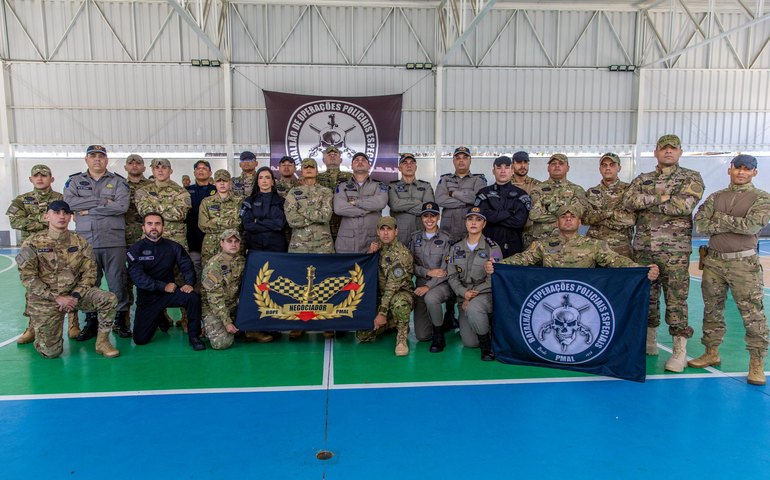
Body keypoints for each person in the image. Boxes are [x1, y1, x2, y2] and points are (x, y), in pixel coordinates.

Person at [623, 134, 705, 372]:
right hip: (644, 249)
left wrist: (648, 201)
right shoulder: (643, 178)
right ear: (656, 152)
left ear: (680, 152)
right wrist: (667, 197)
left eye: (673, 148)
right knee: (646, 299)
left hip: (675, 252)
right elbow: (629, 201)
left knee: (676, 301)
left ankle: (679, 351)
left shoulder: (691, 177)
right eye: (664, 148)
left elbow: (684, 206)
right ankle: (649, 342)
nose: (668, 152)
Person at [690, 154, 770, 385]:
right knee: (712, 310)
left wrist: (720, 219)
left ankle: (756, 362)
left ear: (754, 172)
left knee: (753, 314)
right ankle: (711, 352)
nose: (741, 172)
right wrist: (733, 221)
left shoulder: (762, 198)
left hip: (743, 264)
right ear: (730, 170)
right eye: (738, 168)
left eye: (747, 169)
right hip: (714, 262)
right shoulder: (717, 196)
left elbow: (751, 226)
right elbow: (701, 224)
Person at [16, 200, 119, 358]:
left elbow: (90, 273)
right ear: (46, 217)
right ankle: (41, 334)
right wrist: (57, 298)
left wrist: (75, 295)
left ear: (71, 217)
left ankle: (102, 342)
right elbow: (27, 277)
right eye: (56, 213)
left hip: (74, 295)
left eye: (66, 213)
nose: (62, 216)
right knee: (51, 352)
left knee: (108, 299)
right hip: (46, 299)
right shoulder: (32, 243)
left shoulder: (80, 242)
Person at [64, 145, 131, 341]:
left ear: (106, 160)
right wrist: (102, 202)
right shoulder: (75, 181)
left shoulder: (118, 181)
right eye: (92, 156)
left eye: (101, 156)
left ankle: (120, 320)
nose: (97, 160)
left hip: (113, 240)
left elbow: (121, 207)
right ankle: (91, 321)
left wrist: (87, 208)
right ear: (86, 160)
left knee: (117, 282)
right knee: (87, 283)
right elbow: (70, 204)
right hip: (86, 242)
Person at [486, 202, 659, 277]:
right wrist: (498, 266)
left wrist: (642, 269)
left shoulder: (594, 245)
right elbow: (522, 259)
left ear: (580, 222)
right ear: (557, 221)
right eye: (564, 216)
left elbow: (617, 261)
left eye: (572, 216)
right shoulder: (542, 245)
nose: (568, 219)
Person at [6, 164, 67, 343]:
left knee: (67, 282)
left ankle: (73, 323)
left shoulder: (61, 198)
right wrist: (46, 220)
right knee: (32, 287)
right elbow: (16, 222)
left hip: (57, 247)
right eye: (36, 176)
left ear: (52, 179)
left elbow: (66, 219)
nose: (40, 178)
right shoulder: (21, 200)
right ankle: (32, 327)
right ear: (31, 179)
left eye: (44, 175)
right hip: (31, 249)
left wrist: (34, 220)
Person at [126, 212, 205, 350]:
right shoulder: (135, 250)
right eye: (149, 224)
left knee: (192, 298)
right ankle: (159, 317)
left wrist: (188, 283)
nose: (154, 227)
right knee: (140, 339)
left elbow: (186, 265)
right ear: (143, 228)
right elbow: (139, 279)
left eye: (157, 224)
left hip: (169, 294)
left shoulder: (173, 246)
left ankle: (194, 336)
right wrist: (163, 286)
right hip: (148, 298)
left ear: (163, 227)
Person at [446, 207, 502, 361]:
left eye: (478, 220)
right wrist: (464, 293)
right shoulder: (455, 248)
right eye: (470, 219)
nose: (473, 223)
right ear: (466, 223)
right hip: (463, 295)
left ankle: (486, 347)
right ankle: (483, 326)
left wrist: (470, 296)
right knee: (470, 343)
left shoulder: (493, 248)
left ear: (484, 224)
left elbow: (494, 278)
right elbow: (451, 276)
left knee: (473, 307)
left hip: (484, 295)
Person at [357, 216, 415, 356]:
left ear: (396, 231)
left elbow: (391, 287)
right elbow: (363, 274)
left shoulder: (402, 254)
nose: (385, 233)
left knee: (399, 303)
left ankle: (401, 336)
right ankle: (391, 323)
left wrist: (381, 313)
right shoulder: (377, 248)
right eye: (382, 229)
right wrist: (369, 255)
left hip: (398, 294)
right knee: (362, 335)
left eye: (389, 229)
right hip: (381, 296)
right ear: (377, 232)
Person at [408, 202, 454, 352]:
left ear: (438, 217)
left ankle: (439, 336)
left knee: (431, 297)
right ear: (422, 218)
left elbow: (445, 270)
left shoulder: (447, 239)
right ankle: (434, 324)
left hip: (441, 284)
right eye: (426, 216)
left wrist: (429, 285)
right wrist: (426, 272)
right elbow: (410, 266)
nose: (429, 219)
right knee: (422, 335)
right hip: (421, 284)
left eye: (433, 216)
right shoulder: (414, 239)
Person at [474, 155, 531, 258]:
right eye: (499, 167)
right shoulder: (484, 193)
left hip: (513, 246)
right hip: (488, 244)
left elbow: (519, 221)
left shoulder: (521, 194)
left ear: (512, 170)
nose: (503, 171)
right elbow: (481, 217)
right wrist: (509, 212)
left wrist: (493, 215)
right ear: (493, 171)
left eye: (507, 167)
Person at [333, 152, 388, 253]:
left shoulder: (379, 185)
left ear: (369, 166)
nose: (360, 162)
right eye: (356, 160)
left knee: (371, 268)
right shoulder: (342, 186)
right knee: (346, 268)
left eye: (363, 160)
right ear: (352, 166)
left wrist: (356, 202)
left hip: (372, 240)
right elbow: (339, 208)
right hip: (347, 241)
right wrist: (367, 210)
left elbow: (380, 203)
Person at [583, 153, 636, 257]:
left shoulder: (629, 190)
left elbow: (631, 219)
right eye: (604, 165)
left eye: (612, 165)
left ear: (619, 168)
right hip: (595, 246)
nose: (608, 168)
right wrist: (611, 213)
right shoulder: (591, 192)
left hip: (620, 247)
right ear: (600, 169)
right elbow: (585, 219)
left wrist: (599, 217)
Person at [123, 154, 152, 337]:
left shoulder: (150, 187)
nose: (134, 165)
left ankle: (157, 314)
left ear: (144, 168)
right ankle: (124, 319)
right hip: (123, 239)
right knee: (125, 281)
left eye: (138, 163)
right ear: (126, 167)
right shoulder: (119, 185)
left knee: (151, 275)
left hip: (146, 238)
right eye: (131, 163)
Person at [528, 153, 587, 244]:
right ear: (548, 168)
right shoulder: (537, 189)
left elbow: (578, 213)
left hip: (568, 242)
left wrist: (548, 208)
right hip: (542, 241)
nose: (557, 166)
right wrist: (565, 214)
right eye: (553, 163)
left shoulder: (577, 190)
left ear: (568, 168)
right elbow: (534, 215)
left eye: (561, 163)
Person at [201, 230, 245, 350]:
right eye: (229, 241)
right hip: (214, 308)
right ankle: (207, 326)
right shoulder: (213, 266)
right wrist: (226, 322)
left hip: (234, 305)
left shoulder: (241, 261)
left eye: (236, 241)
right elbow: (214, 298)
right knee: (221, 343)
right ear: (221, 243)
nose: (233, 244)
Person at [434, 146, 487, 243]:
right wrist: (466, 202)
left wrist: (453, 193)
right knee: (447, 257)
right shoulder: (445, 179)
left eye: (465, 158)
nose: (461, 161)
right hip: (447, 231)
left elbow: (477, 199)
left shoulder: (478, 179)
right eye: (458, 158)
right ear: (453, 161)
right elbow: (439, 199)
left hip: (470, 232)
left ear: (470, 161)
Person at [135, 158, 192, 248]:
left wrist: (153, 207)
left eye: (164, 167)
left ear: (170, 171)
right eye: (157, 168)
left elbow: (180, 214)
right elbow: (144, 211)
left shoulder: (181, 191)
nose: (160, 170)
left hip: (175, 239)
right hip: (151, 238)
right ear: (153, 171)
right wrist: (170, 207)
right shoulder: (143, 191)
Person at [284, 158, 334, 254]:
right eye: (305, 167)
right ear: (301, 171)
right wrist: (315, 217)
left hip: (323, 246)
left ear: (317, 171)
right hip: (299, 246)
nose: (308, 169)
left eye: (312, 167)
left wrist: (301, 210)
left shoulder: (326, 191)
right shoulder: (293, 192)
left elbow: (325, 216)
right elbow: (292, 220)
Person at [199, 169, 243, 266]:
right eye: (219, 181)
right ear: (214, 183)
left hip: (233, 244)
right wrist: (229, 223)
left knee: (234, 273)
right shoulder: (206, 202)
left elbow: (241, 223)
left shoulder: (239, 201)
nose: (222, 184)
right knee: (210, 274)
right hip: (211, 246)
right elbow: (203, 225)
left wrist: (214, 221)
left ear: (230, 182)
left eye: (225, 181)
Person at [388, 153, 435, 244]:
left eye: (412, 163)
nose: (409, 165)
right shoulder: (393, 186)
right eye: (405, 163)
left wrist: (404, 208)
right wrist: (417, 202)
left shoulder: (426, 186)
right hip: (400, 234)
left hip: (421, 233)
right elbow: (395, 205)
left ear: (416, 167)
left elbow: (428, 209)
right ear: (399, 168)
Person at [240, 166, 287, 253]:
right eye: (261, 178)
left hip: (276, 246)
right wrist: (270, 224)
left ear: (272, 182)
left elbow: (279, 225)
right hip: (254, 246)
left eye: (267, 177)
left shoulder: (281, 201)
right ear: (257, 182)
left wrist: (257, 221)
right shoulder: (249, 201)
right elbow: (247, 225)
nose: (264, 181)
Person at [185, 160, 217, 279]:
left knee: (212, 272)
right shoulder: (186, 191)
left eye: (204, 168)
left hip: (212, 238)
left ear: (210, 172)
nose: (201, 170)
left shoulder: (217, 190)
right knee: (195, 271)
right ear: (194, 172)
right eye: (198, 168)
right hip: (193, 238)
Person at [317, 146, 353, 241]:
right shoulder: (316, 177)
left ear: (341, 160)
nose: (332, 156)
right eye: (329, 154)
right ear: (323, 160)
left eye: (335, 154)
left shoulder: (351, 177)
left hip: (345, 222)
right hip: (323, 224)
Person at [511, 150, 541, 248]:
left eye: (525, 162)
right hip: (511, 232)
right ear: (513, 165)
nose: (523, 165)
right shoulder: (505, 184)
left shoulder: (537, 185)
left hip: (531, 233)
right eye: (519, 162)